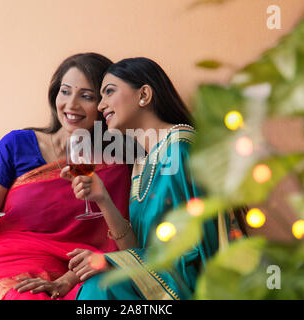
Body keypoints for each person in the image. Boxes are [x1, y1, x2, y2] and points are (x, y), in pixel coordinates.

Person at [0, 53, 131, 300]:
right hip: (8, 263)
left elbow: (117, 243)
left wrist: (69, 279)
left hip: (77, 270)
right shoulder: (18, 145)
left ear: (103, 105)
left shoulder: (111, 165)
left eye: (86, 96)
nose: (71, 104)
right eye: (65, 91)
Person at [60, 57, 221, 300]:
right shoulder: (141, 163)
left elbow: (195, 247)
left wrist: (111, 261)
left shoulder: (180, 147)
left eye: (109, 92)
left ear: (144, 94)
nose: (101, 106)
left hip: (188, 286)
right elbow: (134, 251)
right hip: (155, 284)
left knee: (101, 289)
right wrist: (102, 198)